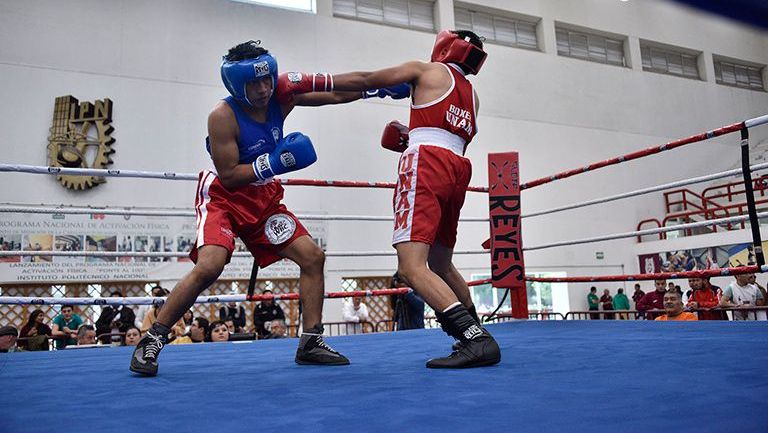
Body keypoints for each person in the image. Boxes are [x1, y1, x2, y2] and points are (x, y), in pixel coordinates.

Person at [130, 40, 409, 375]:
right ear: (236, 84)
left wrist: (374, 90)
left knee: (312, 257)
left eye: (266, 80)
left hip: (263, 199)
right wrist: (276, 162)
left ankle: (310, 341)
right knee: (210, 266)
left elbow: (333, 91)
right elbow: (230, 175)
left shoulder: (281, 92)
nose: (263, 89)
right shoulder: (222, 116)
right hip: (223, 197)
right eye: (254, 83)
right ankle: (151, 340)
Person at [331, 30, 500, 368]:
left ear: (448, 46)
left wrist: (310, 80)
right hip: (457, 169)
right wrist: (412, 136)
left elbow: (365, 78)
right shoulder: (472, 95)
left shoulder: (427, 71)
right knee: (440, 263)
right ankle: (476, 333)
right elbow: (447, 134)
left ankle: (474, 339)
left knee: (410, 267)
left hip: (428, 165)